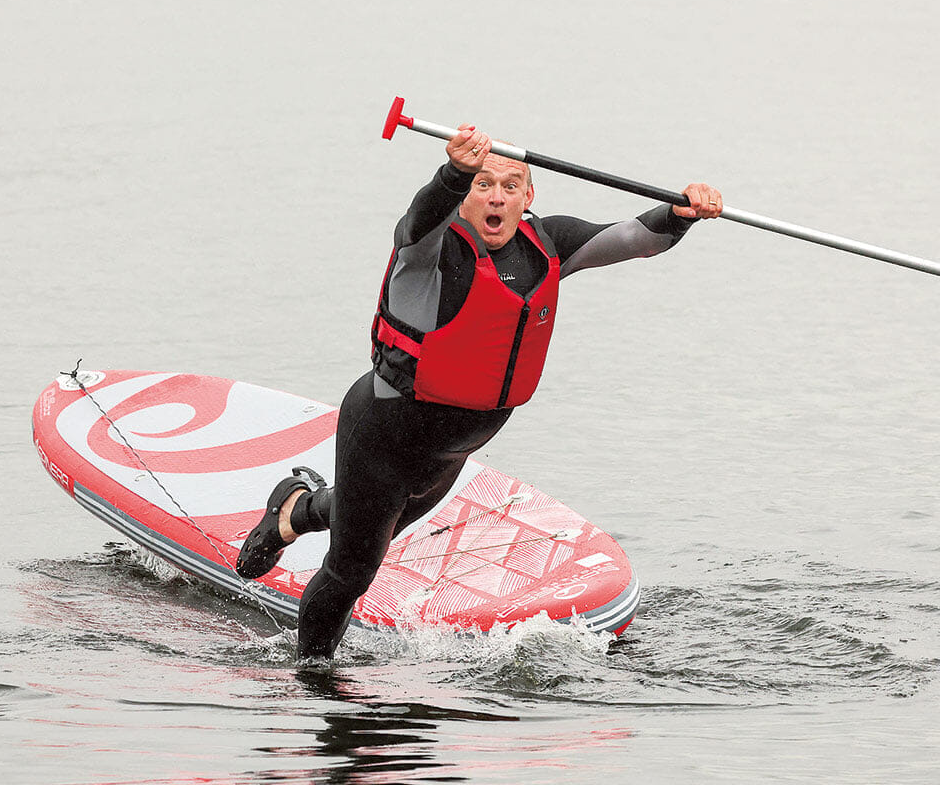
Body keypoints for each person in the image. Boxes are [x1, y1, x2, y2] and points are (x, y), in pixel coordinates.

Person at [236, 123, 724, 658]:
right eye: (482, 184)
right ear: (465, 192)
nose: (496, 196)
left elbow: (634, 238)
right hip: (384, 432)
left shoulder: (548, 245)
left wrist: (681, 212)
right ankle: (313, 680)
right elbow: (416, 220)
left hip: (451, 451)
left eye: (510, 186)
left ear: (528, 196)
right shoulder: (430, 252)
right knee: (352, 569)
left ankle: (294, 510)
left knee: (371, 521)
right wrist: (452, 173)